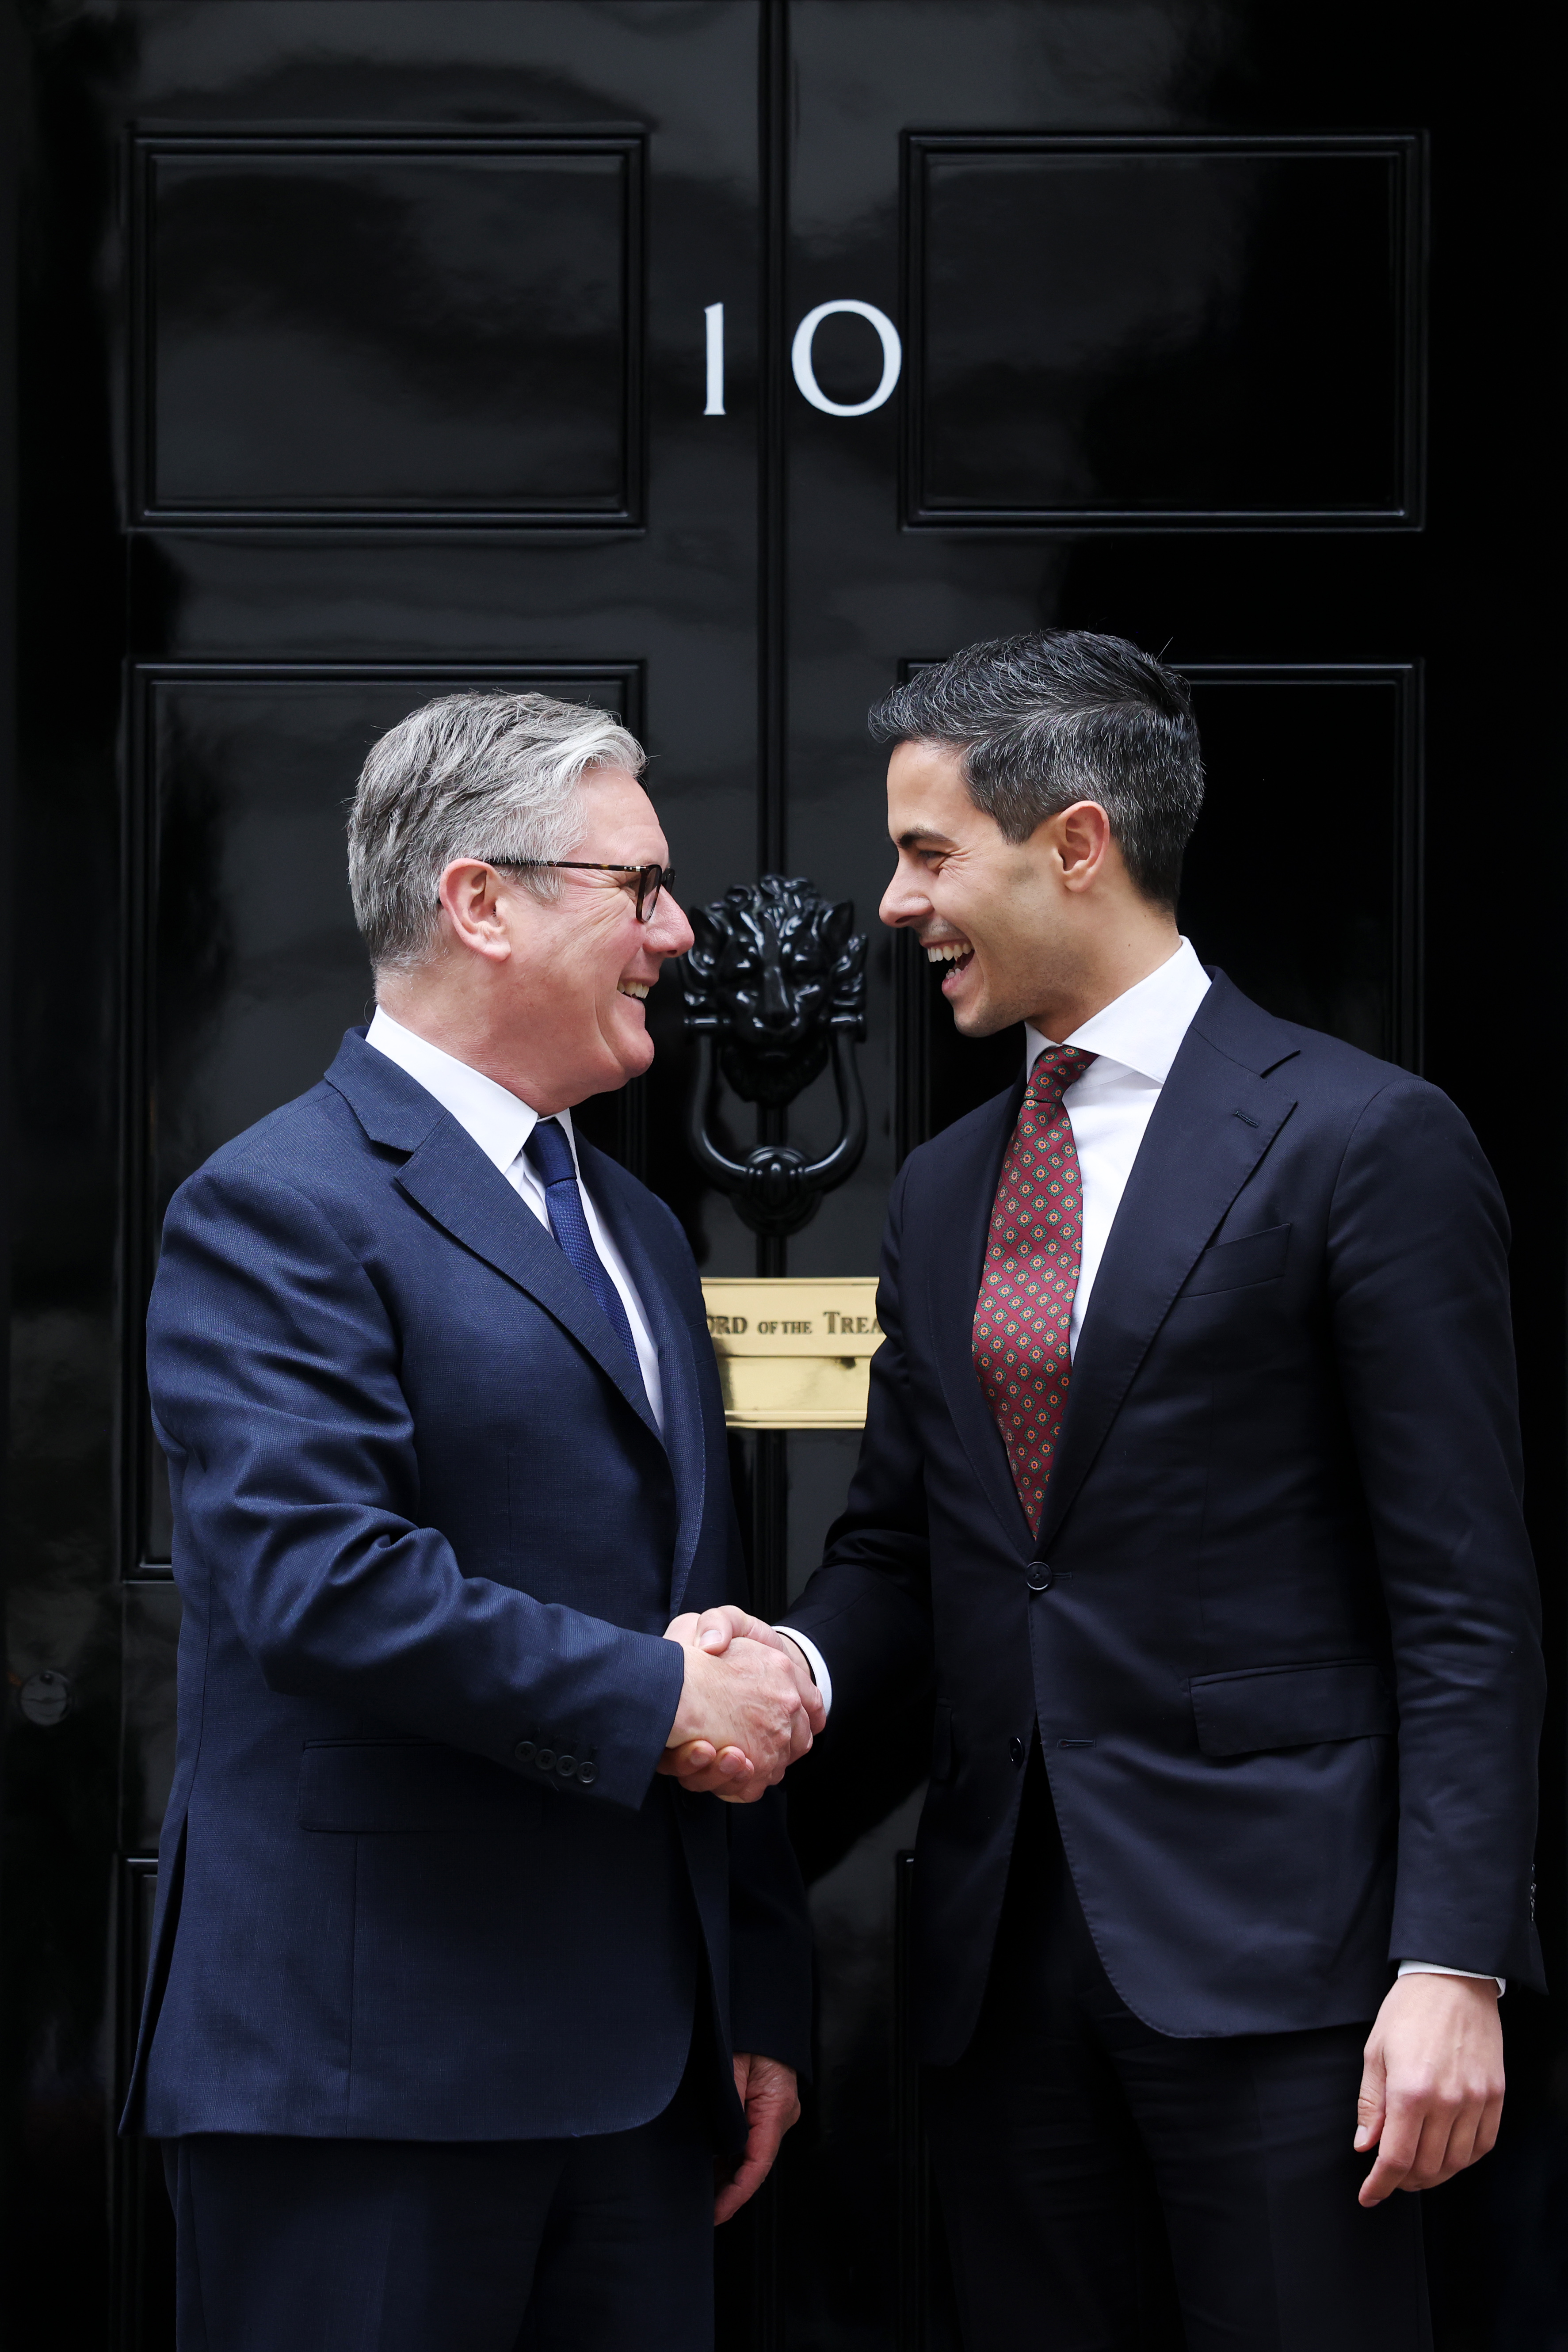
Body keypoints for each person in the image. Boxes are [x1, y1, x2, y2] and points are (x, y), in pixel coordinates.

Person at [689, 633, 1546, 2351]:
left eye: (927, 852)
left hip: (1293, 1977)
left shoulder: (1359, 1139)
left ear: (1073, 842)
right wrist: (787, 1672)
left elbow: (1459, 1592)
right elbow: (905, 1554)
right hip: (1001, 1979)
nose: (888, 903)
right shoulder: (939, 1191)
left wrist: (1449, 1963)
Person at [122, 691, 823, 2352]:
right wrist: (661, 1700)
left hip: (648, 2088)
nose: (679, 932)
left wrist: (759, 1990)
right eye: (636, 886)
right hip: (368, 2085)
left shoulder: (642, 1226)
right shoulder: (276, 1205)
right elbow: (325, 1584)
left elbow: (692, 1597)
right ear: (480, 900)